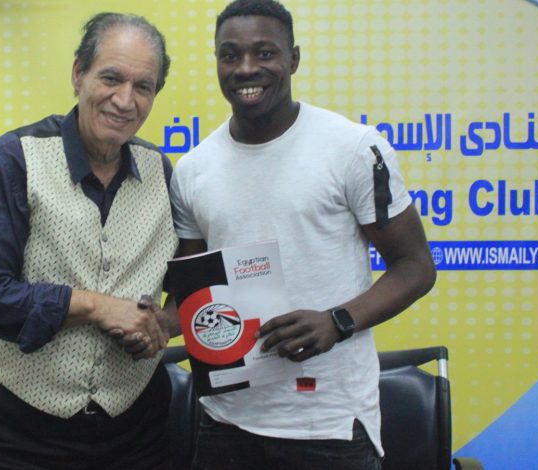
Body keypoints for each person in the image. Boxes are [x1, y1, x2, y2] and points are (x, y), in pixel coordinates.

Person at [169, 1, 437, 469]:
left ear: (293, 59)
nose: (246, 68)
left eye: (264, 53)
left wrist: (337, 321)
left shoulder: (353, 148)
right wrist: (152, 324)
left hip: (329, 423)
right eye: (230, 55)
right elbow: (192, 295)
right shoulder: (193, 169)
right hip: (226, 421)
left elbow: (415, 267)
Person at [0, 12, 178, 470]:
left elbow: (191, 284)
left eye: (143, 87)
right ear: (78, 73)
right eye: (111, 78)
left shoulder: (162, 172)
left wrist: (161, 325)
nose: (125, 100)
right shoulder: (15, 159)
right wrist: (94, 306)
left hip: (135, 433)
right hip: (14, 435)